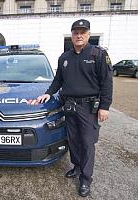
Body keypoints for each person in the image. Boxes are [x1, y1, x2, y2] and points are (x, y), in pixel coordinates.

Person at [34, 19, 113, 197]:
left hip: (88, 108)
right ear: (72, 35)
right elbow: (58, 80)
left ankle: (86, 179)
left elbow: (107, 83)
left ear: (88, 35)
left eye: (82, 32)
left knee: (87, 143)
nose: (79, 35)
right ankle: (77, 168)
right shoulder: (64, 57)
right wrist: (48, 93)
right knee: (73, 140)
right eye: (76, 32)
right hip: (69, 106)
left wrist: (105, 106)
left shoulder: (98, 55)